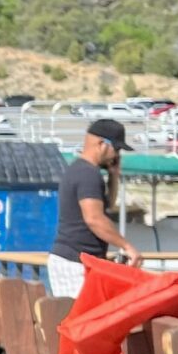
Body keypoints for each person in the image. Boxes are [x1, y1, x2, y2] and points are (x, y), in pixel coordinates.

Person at [46, 118, 142, 296]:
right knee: (78, 320)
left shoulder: (80, 170)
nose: (117, 155)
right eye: (117, 149)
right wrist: (127, 246)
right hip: (74, 262)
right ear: (103, 144)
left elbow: (107, 207)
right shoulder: (88, 174)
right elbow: (94, 219)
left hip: (76, 260)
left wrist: (114, 176)